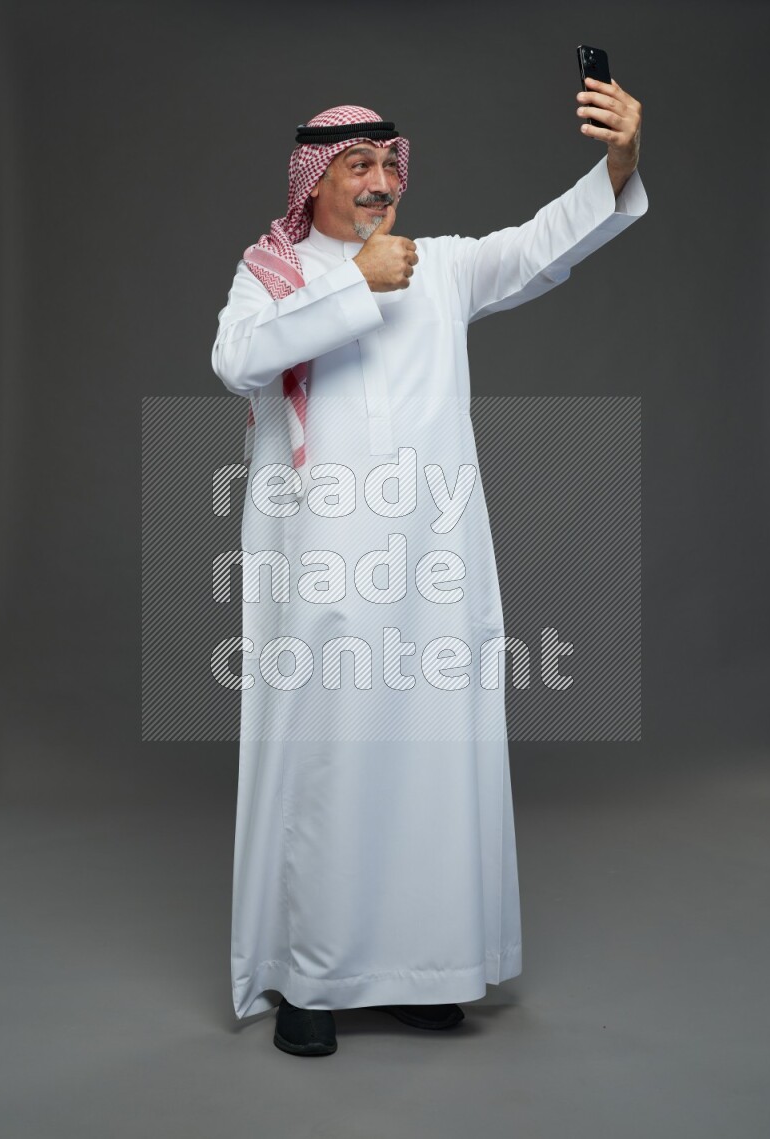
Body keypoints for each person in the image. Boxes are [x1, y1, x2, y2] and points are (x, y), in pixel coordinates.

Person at [211, 84, 646, 1057]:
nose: (379, 181)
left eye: (388, 163)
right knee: (327, 767)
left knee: (426, 761)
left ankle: (423, 966)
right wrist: (351, 284)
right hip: (319, 577)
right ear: (312, 180)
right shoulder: (273, 275)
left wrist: (615, 165)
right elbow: (237, 358)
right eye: (355, 166)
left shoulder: (441, 269)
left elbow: (541, 243)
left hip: (429, 571)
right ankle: (311, 980)